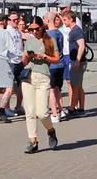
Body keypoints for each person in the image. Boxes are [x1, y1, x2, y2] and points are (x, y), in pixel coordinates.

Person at [21, 16, 59, 154]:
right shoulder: (29, 41)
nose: (34, 31)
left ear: (42, 27)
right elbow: (24, 62)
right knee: (30, 111)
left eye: (36, 29)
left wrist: (43, 56)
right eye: (31, 29)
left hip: (43, 77)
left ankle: (50, 130)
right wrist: (26, 55)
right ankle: (33, 141)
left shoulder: (50, 41)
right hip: (29, 77)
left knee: (42, 113)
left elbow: (56, 59)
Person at [62, 10, 87, 117]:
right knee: (78, 85)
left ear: (71, 19)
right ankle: (81, 108)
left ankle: (72, 108)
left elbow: (81, 45)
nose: (64, 22)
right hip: (76, 60)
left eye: (65, 20)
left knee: (75, 86)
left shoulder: (76, 31)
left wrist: (77, 60)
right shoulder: (74, 30)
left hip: (77, 61)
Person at [44, 11, 65, 122]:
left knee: (51, 90)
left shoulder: (48, 35)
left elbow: (49, 51)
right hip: (61, 64)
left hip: (52, 64)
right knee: (57, 88)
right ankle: (61, 110)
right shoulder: (59, 33)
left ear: (47, 20)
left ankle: (55, 114)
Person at [4, 12, 25, 117]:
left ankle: (18, 105)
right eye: (14, 20)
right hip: (11, 61)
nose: (16, 21)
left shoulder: (18, 31)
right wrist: (22, 54)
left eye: (17, 19)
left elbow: (20, 45)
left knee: (22, 84)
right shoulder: (7, 32)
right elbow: (11, 48)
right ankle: (6, 107)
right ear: (8, 21)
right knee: (9, 86)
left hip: (19, 61)